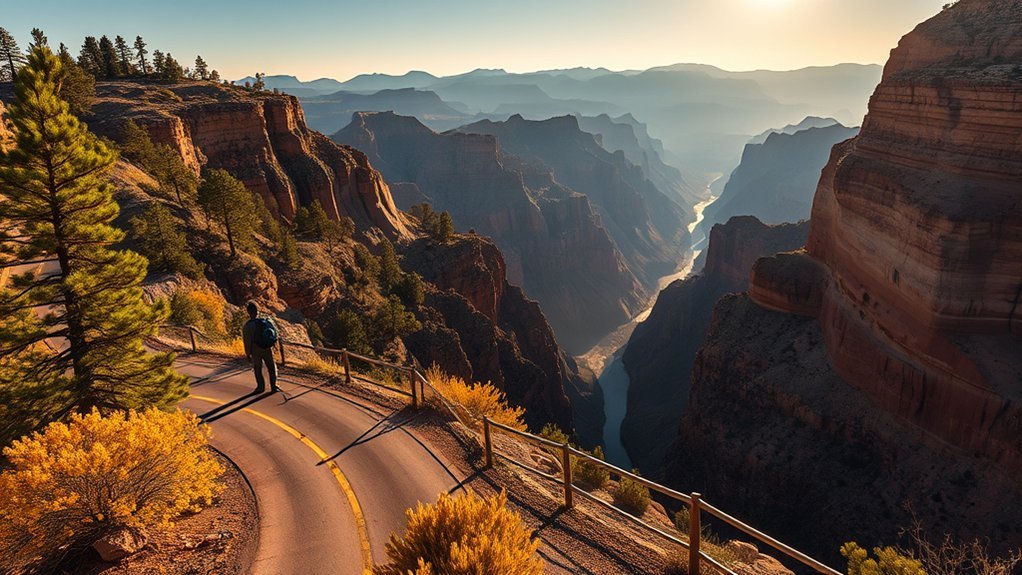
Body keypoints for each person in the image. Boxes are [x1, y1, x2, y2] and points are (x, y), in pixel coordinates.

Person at [242, 301, 279, 393]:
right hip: (267, 348)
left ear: (249, 312)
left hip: (255, 349)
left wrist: (248, 354)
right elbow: (274, 334)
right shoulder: (265, 321)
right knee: (271, 367)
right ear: (257, 311)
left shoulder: (248, 325)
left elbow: (247, 341)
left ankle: (260, 387)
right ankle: (274, 386)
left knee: (258, 369)